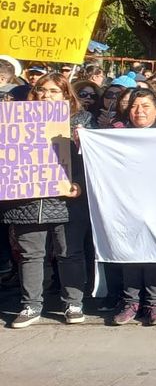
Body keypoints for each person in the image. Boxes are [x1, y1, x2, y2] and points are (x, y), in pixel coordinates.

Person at [5, 76, 89, 328]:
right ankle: (31, 305)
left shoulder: (82, 121)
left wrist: (79, 182)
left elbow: (93, 162)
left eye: (54, 91)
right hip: (27, 200)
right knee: (30, 255)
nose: (46, 95)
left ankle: (73, 303)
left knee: (69, 253)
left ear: (66, 95)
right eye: (41, 90)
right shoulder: (15, 119)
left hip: (67, 200)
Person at [111, 89, 156, 325]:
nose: (139, 111)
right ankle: (131, 302)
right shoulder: (117, 132)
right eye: (134, 106)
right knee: (130, 250)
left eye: (146, 106)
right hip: (126, 202)